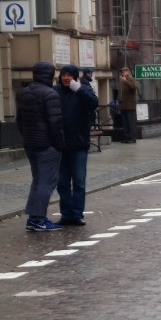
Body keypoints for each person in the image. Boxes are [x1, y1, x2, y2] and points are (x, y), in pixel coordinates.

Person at [15, 61, 64, 231]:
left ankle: (33, 218)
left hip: (30, 143)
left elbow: (19, 121)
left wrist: (26, 137)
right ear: (50, 75)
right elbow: (55, 123)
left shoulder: (23, 93)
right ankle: (39, 218)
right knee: (46, 182)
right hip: (47, 145)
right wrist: (59, 144)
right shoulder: (50, 94)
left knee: (37, 181)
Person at [54, 64, 99, 226]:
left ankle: (77, 214)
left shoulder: (83, 89)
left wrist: (78, 89)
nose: (66, 78)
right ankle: (66, 214)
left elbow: (93, 104)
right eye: (63, 75)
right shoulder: (56, 91)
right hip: (61, 144)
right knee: (63, 183)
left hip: (79, 144)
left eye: (69, 75)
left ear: (75, 76)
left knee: (79, 182)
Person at [118, 66, 138, 143]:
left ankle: (132, 138)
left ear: (127, 72)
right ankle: (126, 137)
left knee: (131, 123)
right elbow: (120, 92)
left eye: (123, 72)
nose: (122, 73)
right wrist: (118, 99)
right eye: (121, 72)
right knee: (125, 123)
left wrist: (125, 82)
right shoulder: (121, 80)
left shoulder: (131, 79)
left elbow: (133, 88)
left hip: (130, 106)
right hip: (123, 105)